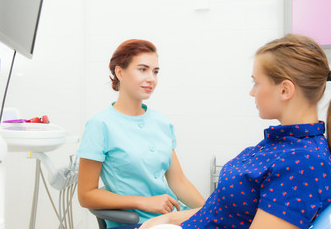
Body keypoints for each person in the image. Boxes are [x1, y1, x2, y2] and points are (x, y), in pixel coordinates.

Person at [139, 34, 331, 229]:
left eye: (256, 82)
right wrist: (168, 219)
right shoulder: (282, 145)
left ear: (285, 90)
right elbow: (223, 211)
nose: (252, 92)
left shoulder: (304, 161)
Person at [77, 39, 205, 228]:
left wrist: (212, 210)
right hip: (136, 223)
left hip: (172, 217)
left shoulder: (162, 123)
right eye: (143, 69)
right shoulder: (100, 125)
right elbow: (86, 195)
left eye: (155, 72)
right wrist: (142, 201)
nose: (151, 78)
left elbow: (178, 182)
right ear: (120, 72)